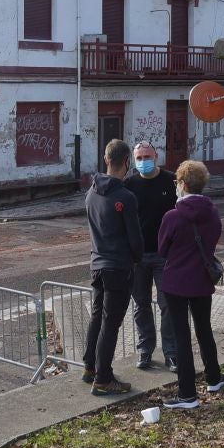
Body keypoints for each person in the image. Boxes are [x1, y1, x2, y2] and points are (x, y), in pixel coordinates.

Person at [157, 161, 224, 410]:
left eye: (177, 182)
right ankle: (214, 377)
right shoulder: (213, 212)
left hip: (176, 283)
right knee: (204, 329)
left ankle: (187, 394)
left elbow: (162, 249)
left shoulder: (172, 216)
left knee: (181, 336)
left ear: (183, 185)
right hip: (202, 280)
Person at [82, 139, 143, 396]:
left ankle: (90, 367)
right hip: (118, 267)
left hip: (97, 264)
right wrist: (137, 258)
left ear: (106, 159)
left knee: (97, 317)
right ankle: (104, 379)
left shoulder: (91, 193)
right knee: (110, 323)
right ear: (127, 162)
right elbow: (135, 238)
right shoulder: (125, 197)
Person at [123, 141, 179, 371]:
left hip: (164, 255)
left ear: (156, 156)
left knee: (168, 304)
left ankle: (172, 353)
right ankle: (145, 350)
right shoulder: (129, 185)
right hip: (138, 257)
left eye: (147, 156)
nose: (144, 161)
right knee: (141, 305)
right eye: (139, 157)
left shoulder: (171, 181)